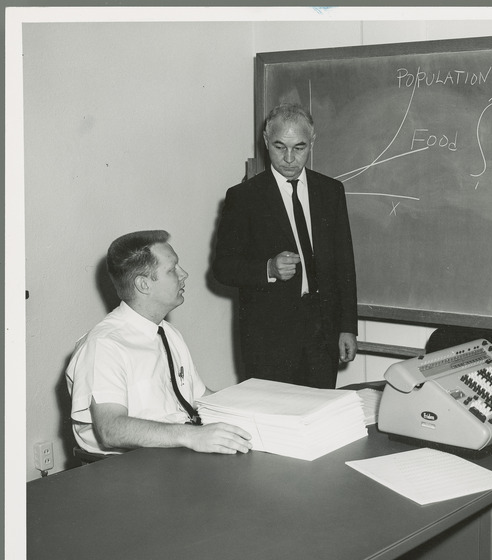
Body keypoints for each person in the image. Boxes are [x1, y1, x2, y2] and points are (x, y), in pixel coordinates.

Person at [66, 230, 252, 456]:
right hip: (128, 467)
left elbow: (199, 398)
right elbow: (111, 429)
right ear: (144, 285)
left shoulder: (168, 332)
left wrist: (254, 408)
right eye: (172, 269)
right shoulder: (104, 345)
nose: (184, 274)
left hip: (174, 453)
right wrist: (192, 436)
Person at [212, 103, 358, 389]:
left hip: (323, 334)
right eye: (280, 147)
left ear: (312, 142)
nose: (289, 158)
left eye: (299, 148)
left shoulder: (331, 192)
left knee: (318, 418)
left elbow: (345, 265)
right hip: (269, 338)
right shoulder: (244, 198)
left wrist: (347, 327)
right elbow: (222, 268)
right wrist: (267, 268)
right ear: (266, 141)